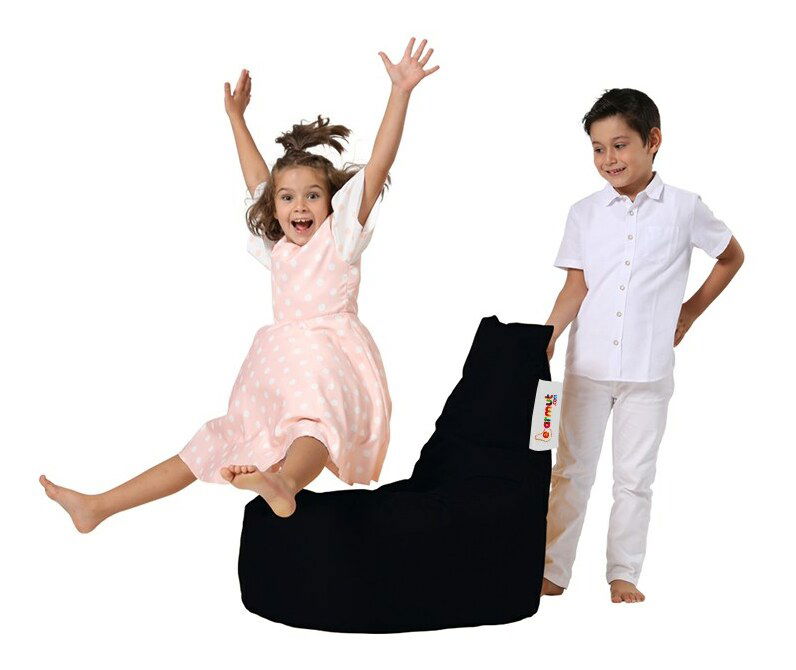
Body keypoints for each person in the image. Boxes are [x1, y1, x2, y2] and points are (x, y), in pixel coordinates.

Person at [40, 37, 439, 529]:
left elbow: (377, 165)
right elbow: (257, 181)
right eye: (288, 198)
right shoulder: (280, 247)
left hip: (325, 351)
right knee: (216, 439)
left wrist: (400, 93)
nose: (299, 206)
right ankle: (99, 505)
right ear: (275, 207)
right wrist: (236, 118)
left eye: (313, 196)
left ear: (332, 201)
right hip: (275, 361)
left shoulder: (339, 238)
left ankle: (284, 482)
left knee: (314, 424)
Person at [542, 88, 744, 603]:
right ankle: (553, 569)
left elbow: (731, 256)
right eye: (597, 148)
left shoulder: (684, 208)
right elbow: (576, 286)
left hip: (648, 369)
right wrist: (547, 336)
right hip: (588, 366)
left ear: (653, 140)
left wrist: (691, 311)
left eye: (620, 145)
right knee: (571, 472)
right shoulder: (584, 213)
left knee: (634, 478)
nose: (608, 159)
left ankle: (623, 572)